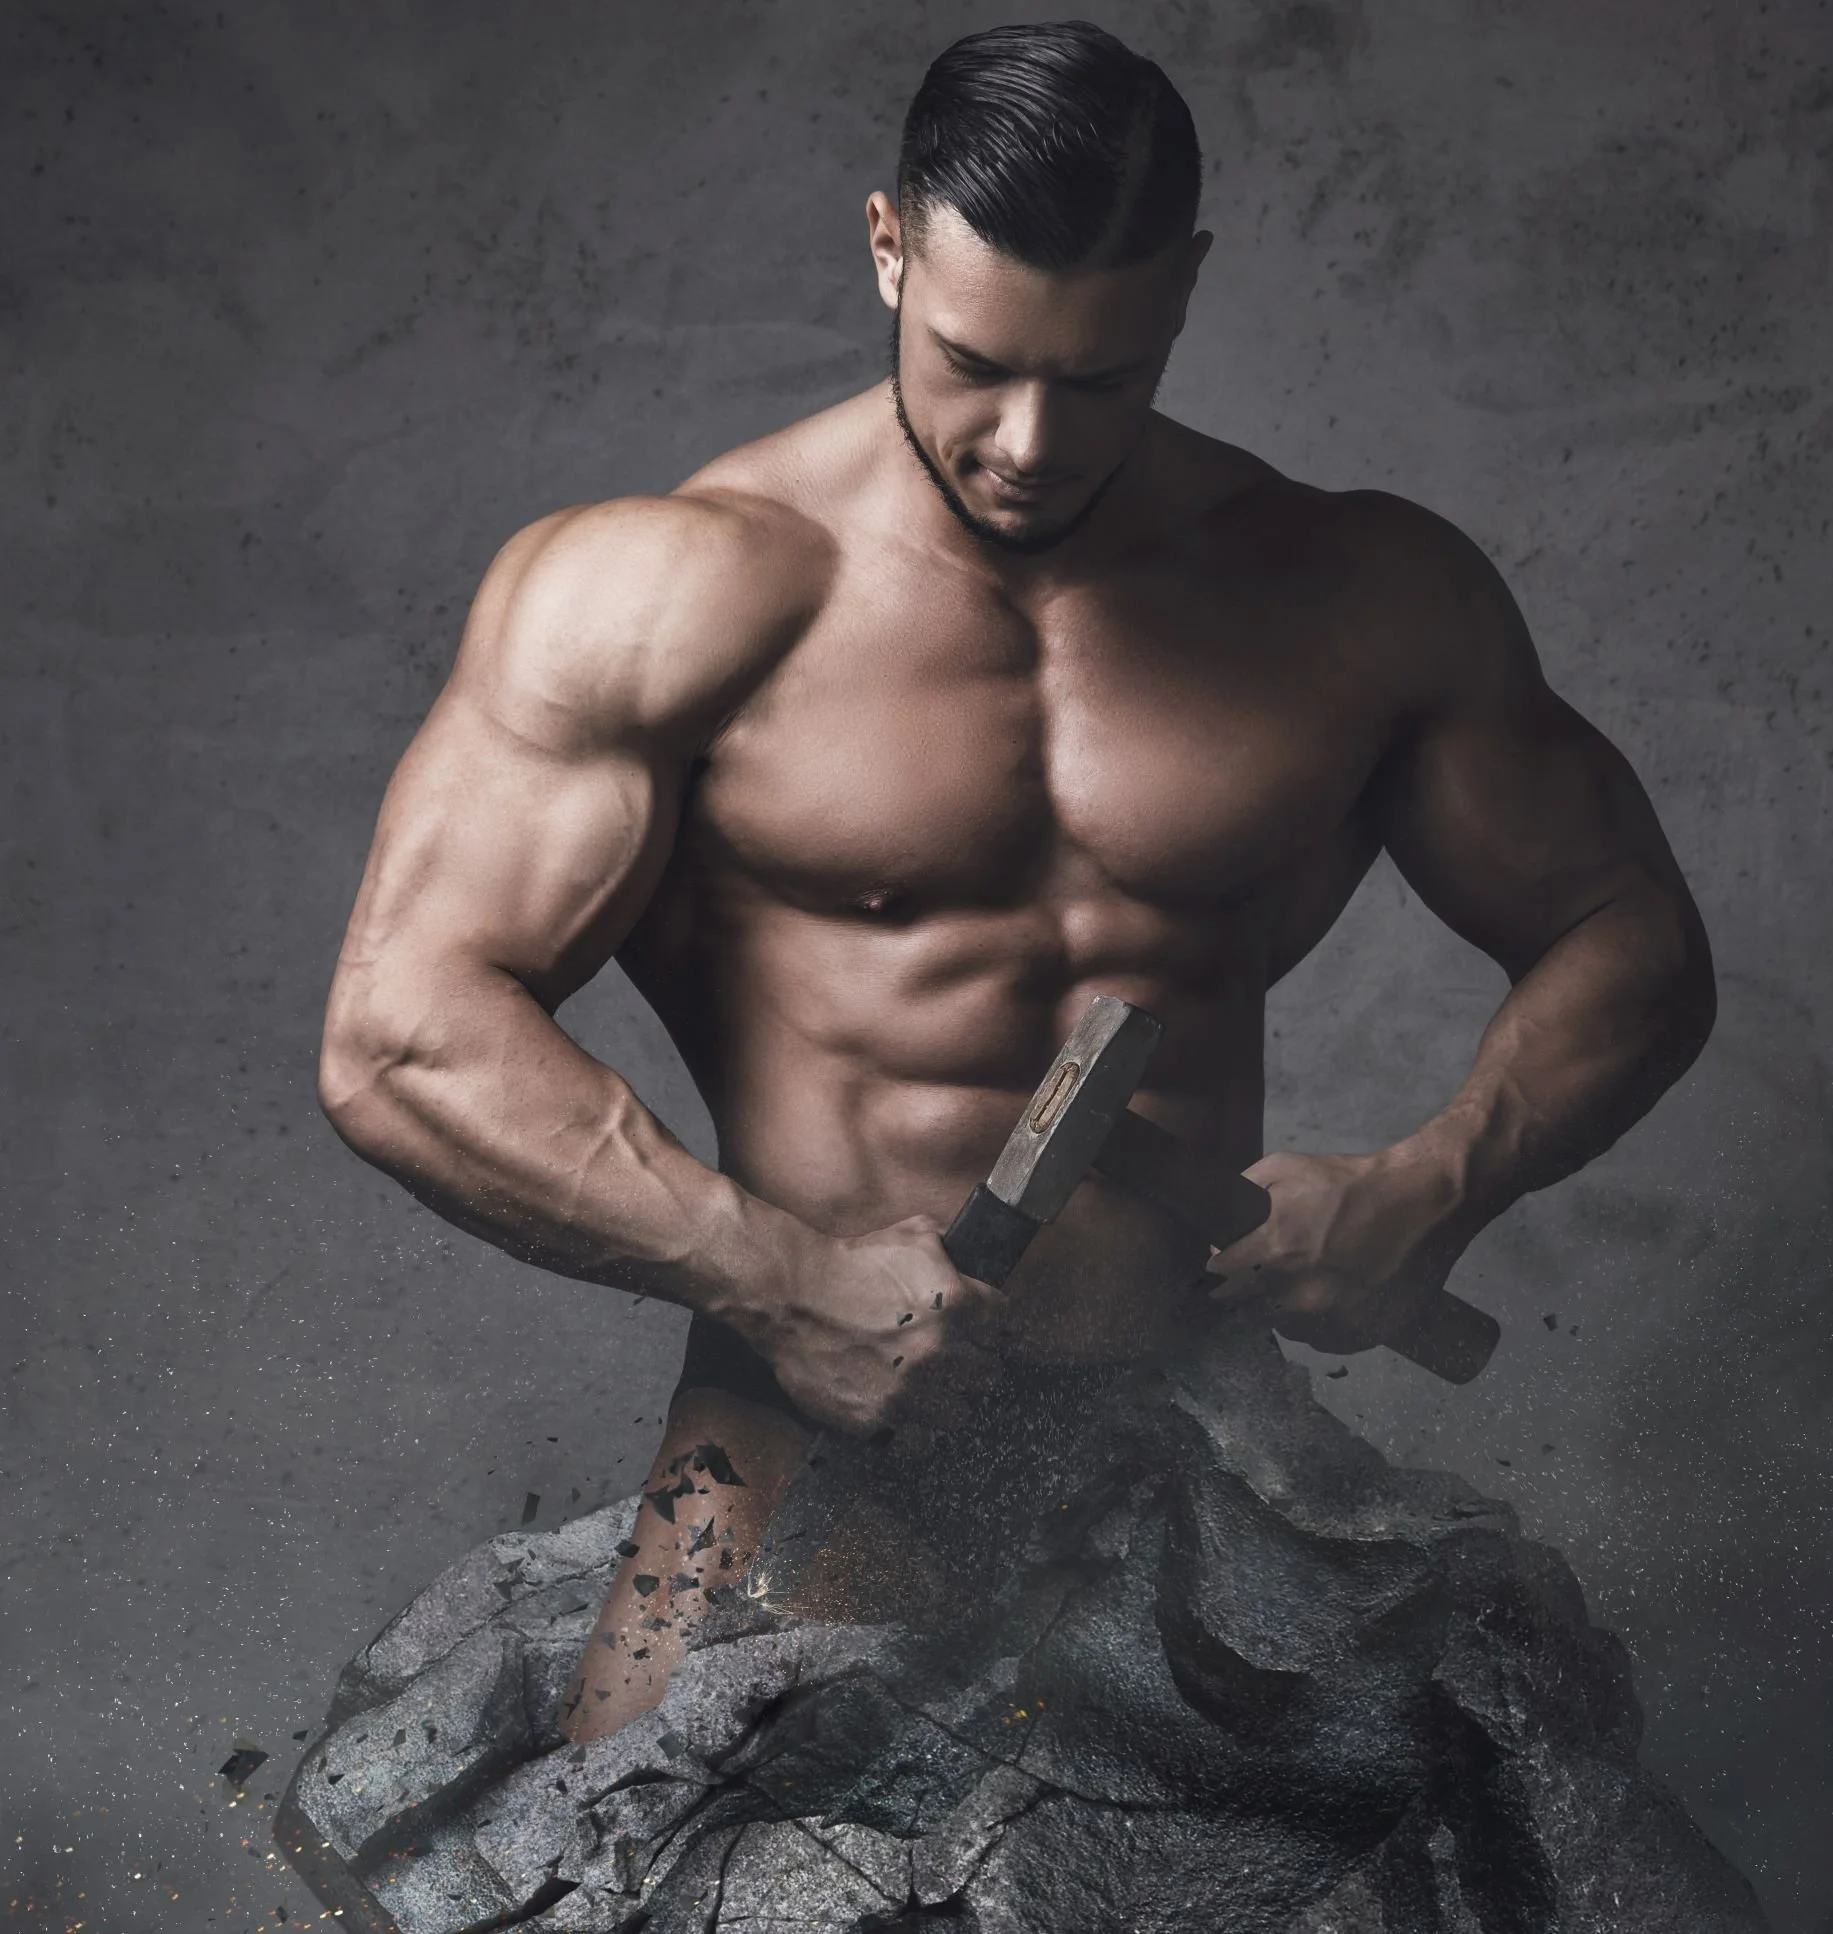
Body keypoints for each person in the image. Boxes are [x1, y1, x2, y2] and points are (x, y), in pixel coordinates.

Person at [316, 20, 1713, 1753]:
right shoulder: (661, 594)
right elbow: (399, 1035)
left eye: (1101, 377)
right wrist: (769, 1271)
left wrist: (1436, 1180)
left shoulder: (1357, 593)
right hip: (796, 1438)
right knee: (655, 1853)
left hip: (1194, 1440)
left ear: (1185, 289)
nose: (1031, 439)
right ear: (887, 247)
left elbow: (1626, 932)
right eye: (974, 364)